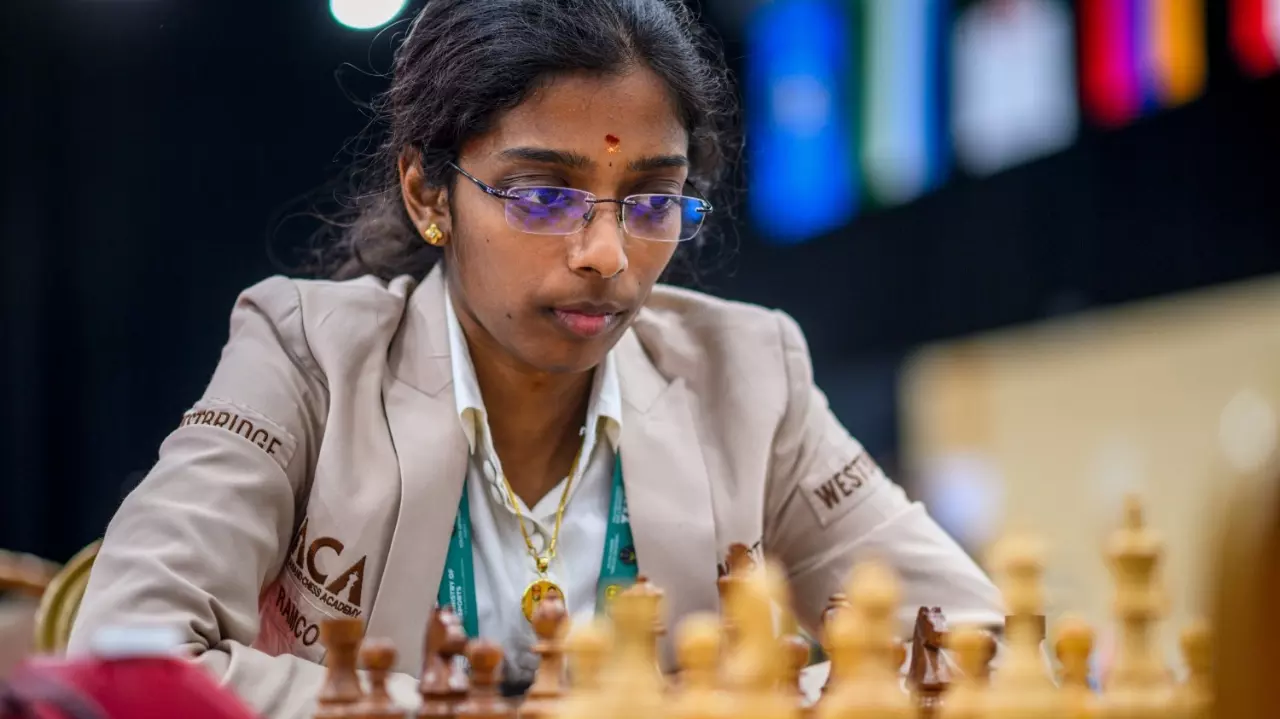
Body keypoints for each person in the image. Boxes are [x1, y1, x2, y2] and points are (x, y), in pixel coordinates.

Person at [67, 0, 1003, 716]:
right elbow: (123, 652)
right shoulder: (306, 353)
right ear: (428, 191)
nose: (606, 252)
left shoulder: (749, 371)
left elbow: (973, 632)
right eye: (542, 195)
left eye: (650, 200)